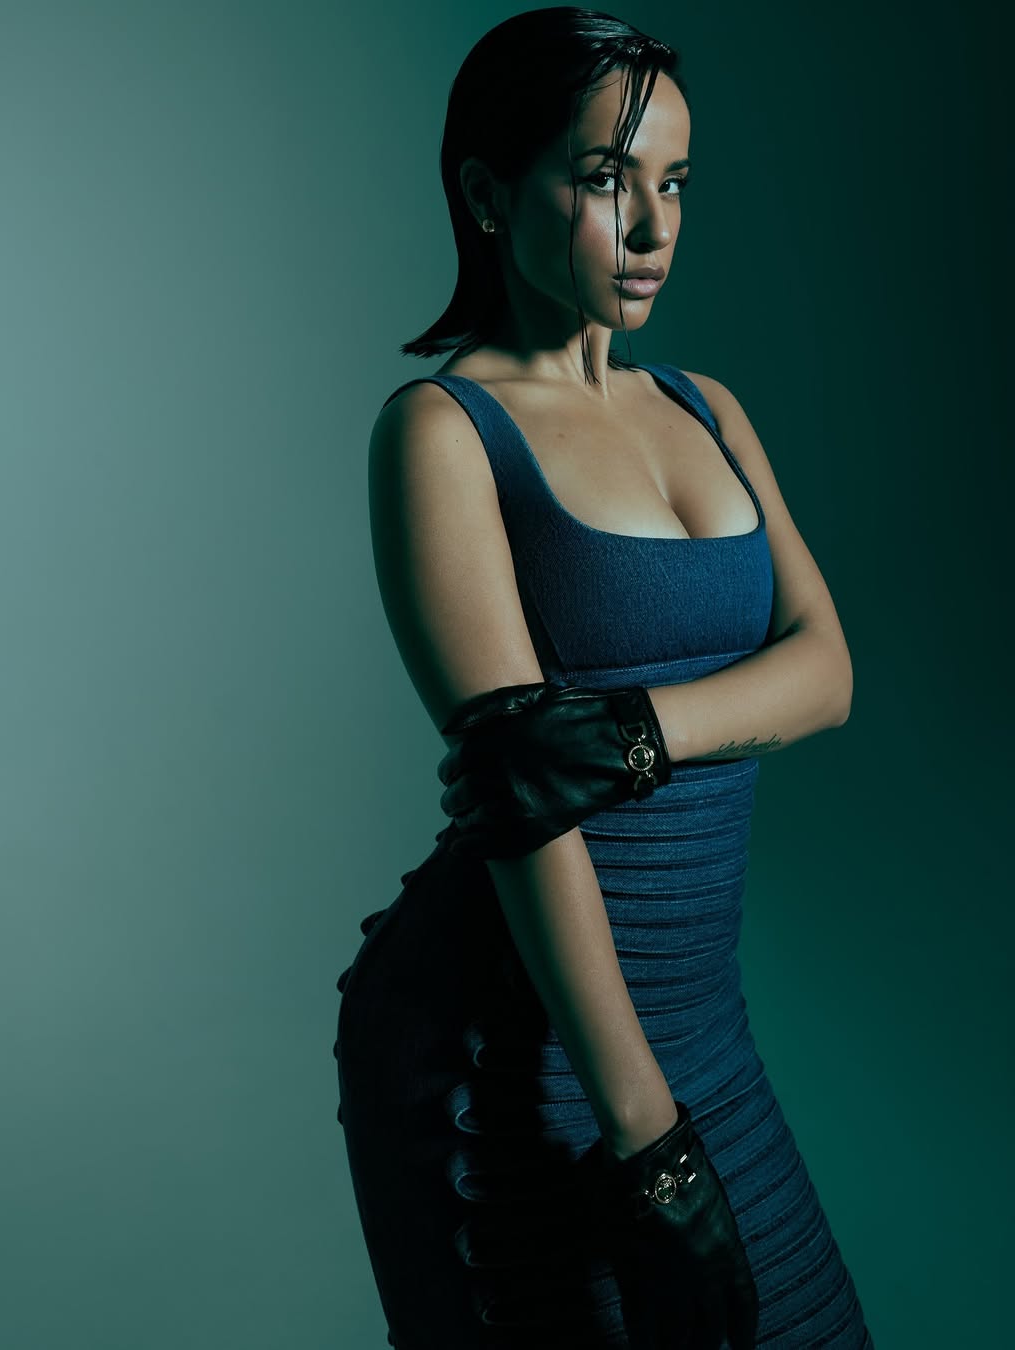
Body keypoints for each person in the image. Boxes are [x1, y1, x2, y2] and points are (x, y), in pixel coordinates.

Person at [333, 8, 875, 1347]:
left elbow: (826, 669)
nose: (651, 228)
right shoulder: (444, 433)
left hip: (705, 1030)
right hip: (523, 1058)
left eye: (673, 184)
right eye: (602, 178)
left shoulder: (706, 406)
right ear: (486, 194)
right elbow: (526, 810)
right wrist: (649, 1146)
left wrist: (635, 729)